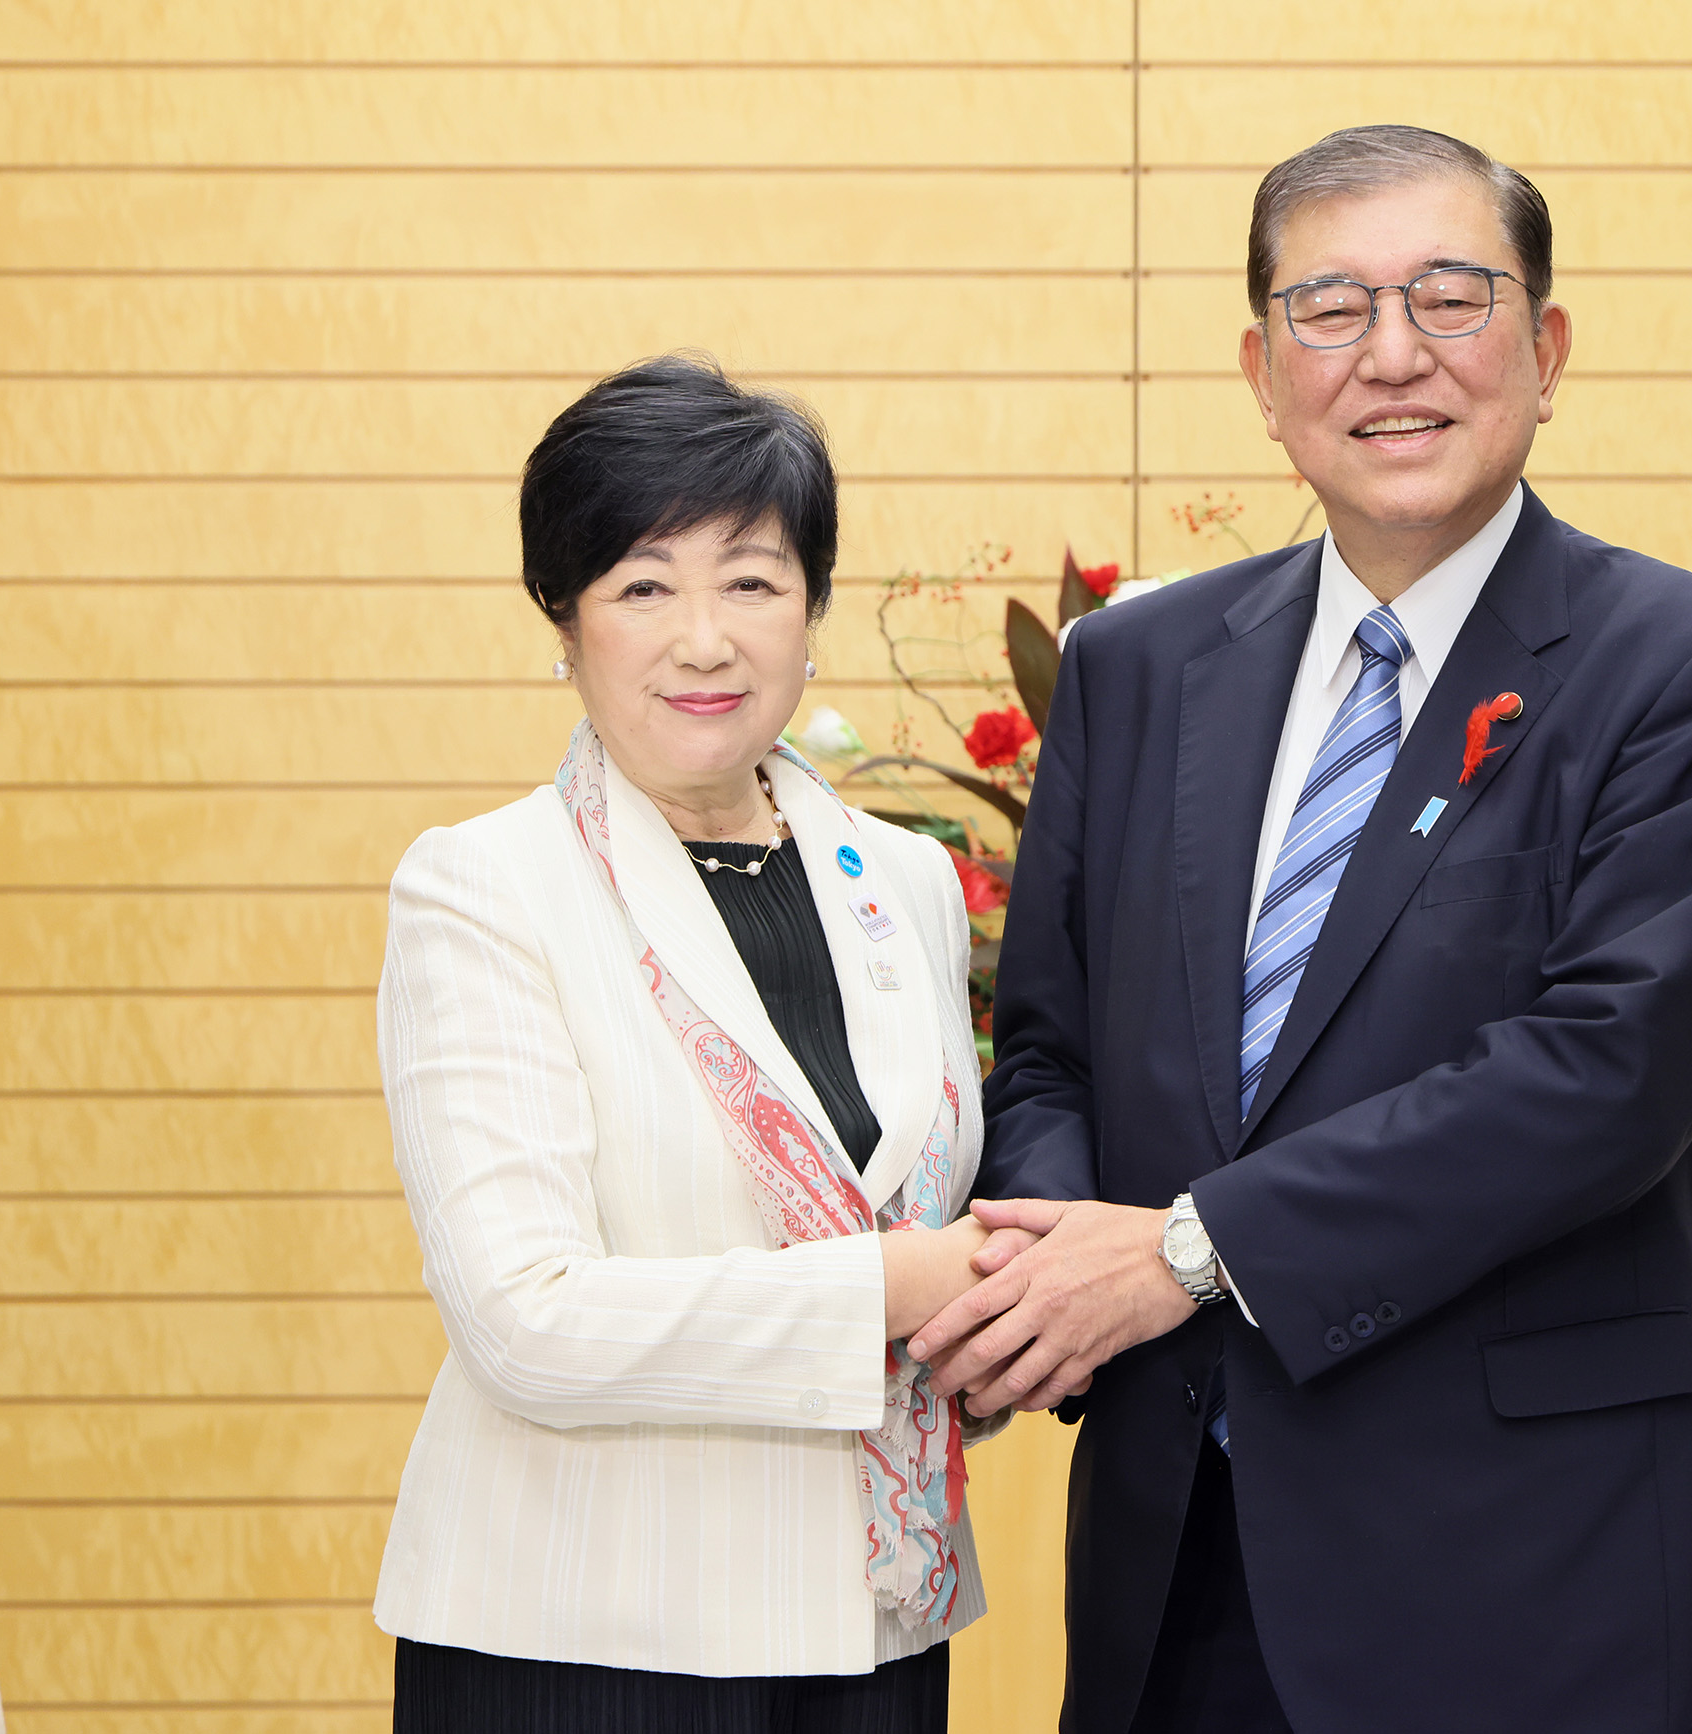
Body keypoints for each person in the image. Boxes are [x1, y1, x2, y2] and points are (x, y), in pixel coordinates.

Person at [911, 126, 1692, 1731]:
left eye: (1452, 298)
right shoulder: (1139, 669)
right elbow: (1047, 1048)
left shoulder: (1682, 667)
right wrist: (1050, 1279)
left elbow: (1603, 1075)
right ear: (1263, 370)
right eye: (1331, 308)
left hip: (1530, 1578)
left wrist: (1186, 1252)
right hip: (1178, 1556)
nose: (1394, 355)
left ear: (1546, 349)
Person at [373, 356, 1013, 1733]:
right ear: (566, 616)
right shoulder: (486, 885)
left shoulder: (901, 875)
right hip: (589, 1640)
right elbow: (526, 1317)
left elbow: (933, 1199)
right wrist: (891, 1286)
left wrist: (991, 1318)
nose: (705, 638)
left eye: (752, 580)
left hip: (875, 1629)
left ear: (812, 610)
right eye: (644, 585)